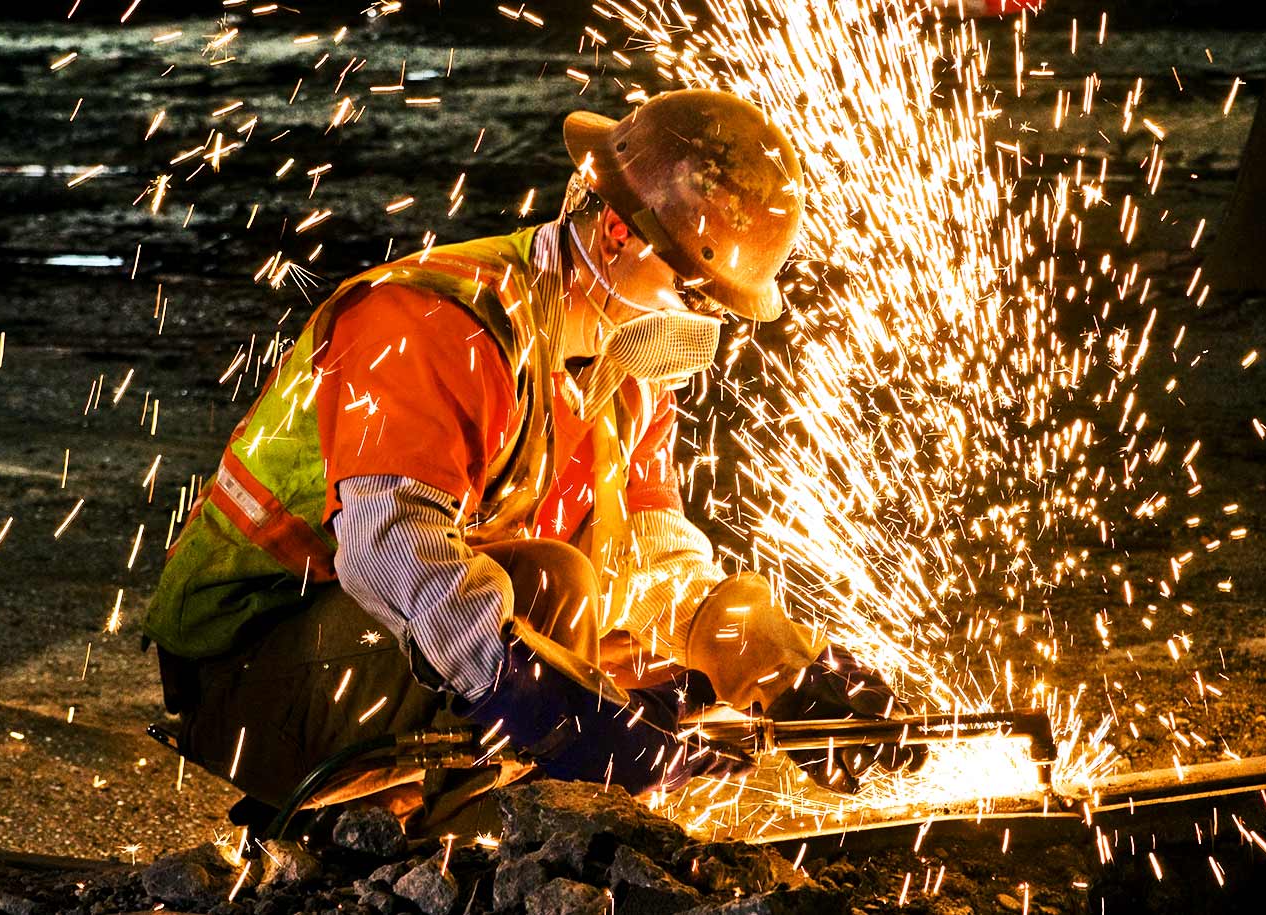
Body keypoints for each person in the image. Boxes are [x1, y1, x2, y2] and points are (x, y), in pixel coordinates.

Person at [143, 89, 913, 835]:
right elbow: (389, 555)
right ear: (616, 230)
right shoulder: (438, 321)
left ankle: (470, 817)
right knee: (555, 595)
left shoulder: (628, 371)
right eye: (692, 290)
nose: (701, 322)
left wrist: (780, 668)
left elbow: (651, 564)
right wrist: (543, 699)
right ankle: (452, 837)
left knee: (662, 672)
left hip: (380, 657)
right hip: (254, 682)